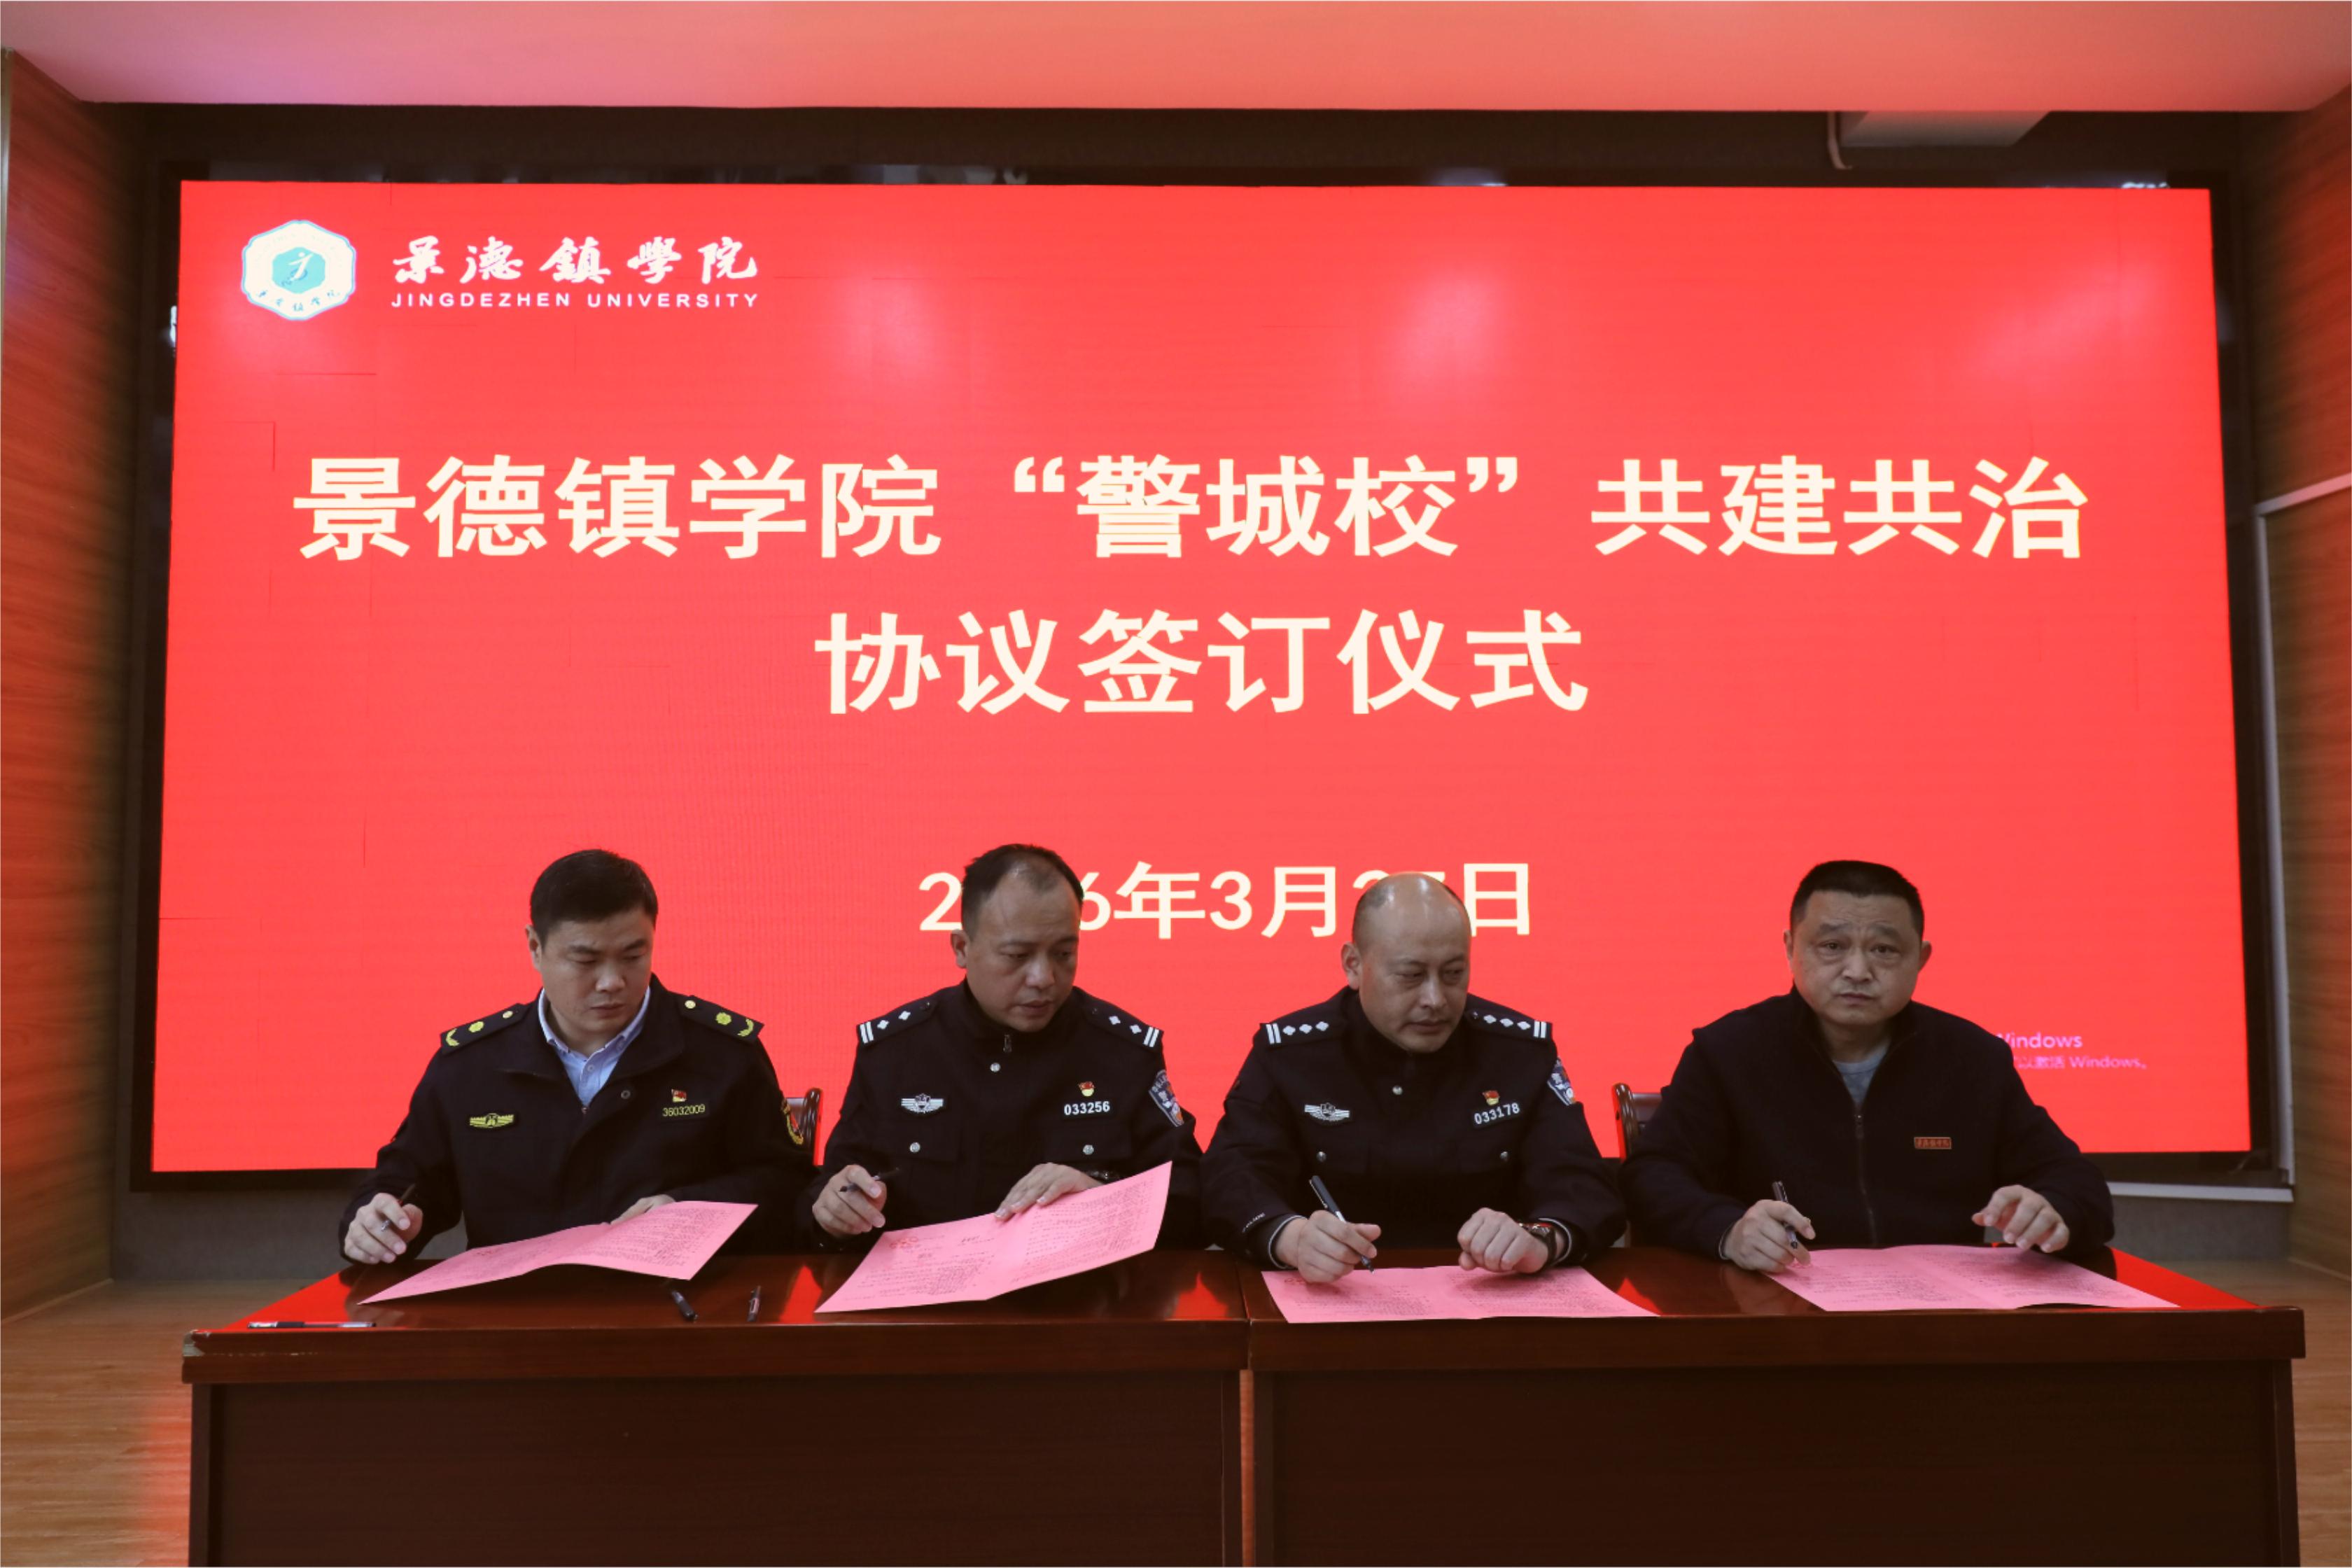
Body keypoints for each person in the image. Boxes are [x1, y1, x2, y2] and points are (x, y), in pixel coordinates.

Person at [1623, 859, 2115, 1273]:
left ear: (1921, 958)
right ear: (1790, 948)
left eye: (1884, 950)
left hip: (1938, 1316)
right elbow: (1652, 1177)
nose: (1857, 971)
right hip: (1776, 1310)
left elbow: (2074, 1180)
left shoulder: (1972, 1059)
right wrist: (1729, 1230)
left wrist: (2055, 1209)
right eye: (1832, 947)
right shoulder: (1728, 1052)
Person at [340, 849, 808, 1264]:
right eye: (586, 961)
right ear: (535, 947)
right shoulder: (470, 1066)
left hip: (677, 1311)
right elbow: (406, 1184)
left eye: (633, 956)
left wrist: (688, 1209)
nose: (612, 982)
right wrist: (377, 1222)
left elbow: (786, 1185)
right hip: (517, 1316)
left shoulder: (722, 1054)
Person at [1201, 873, 1623, 1282]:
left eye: (1454, 973)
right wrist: (1288, 1238)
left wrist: (1540, 1239)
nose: (1435, 999)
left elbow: (1584, 1183)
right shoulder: (1292, 1056)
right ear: (1353, 965)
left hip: (1489, 1298)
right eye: (1411, 976)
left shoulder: (1518, 1053)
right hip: (1332, 1299)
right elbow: (1230, 1178)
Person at [804, 843, 1203, 1247]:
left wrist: (1102, 1198)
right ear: (962, 948)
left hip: (1078, 1285)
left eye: (1064, 953)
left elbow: (1190, 1200)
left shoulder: (1122, 1053)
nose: (1044, 978)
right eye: (1017, 955)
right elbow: (828, 1193)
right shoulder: (896, 1053)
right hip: (928, 1284)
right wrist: (834, 1210)